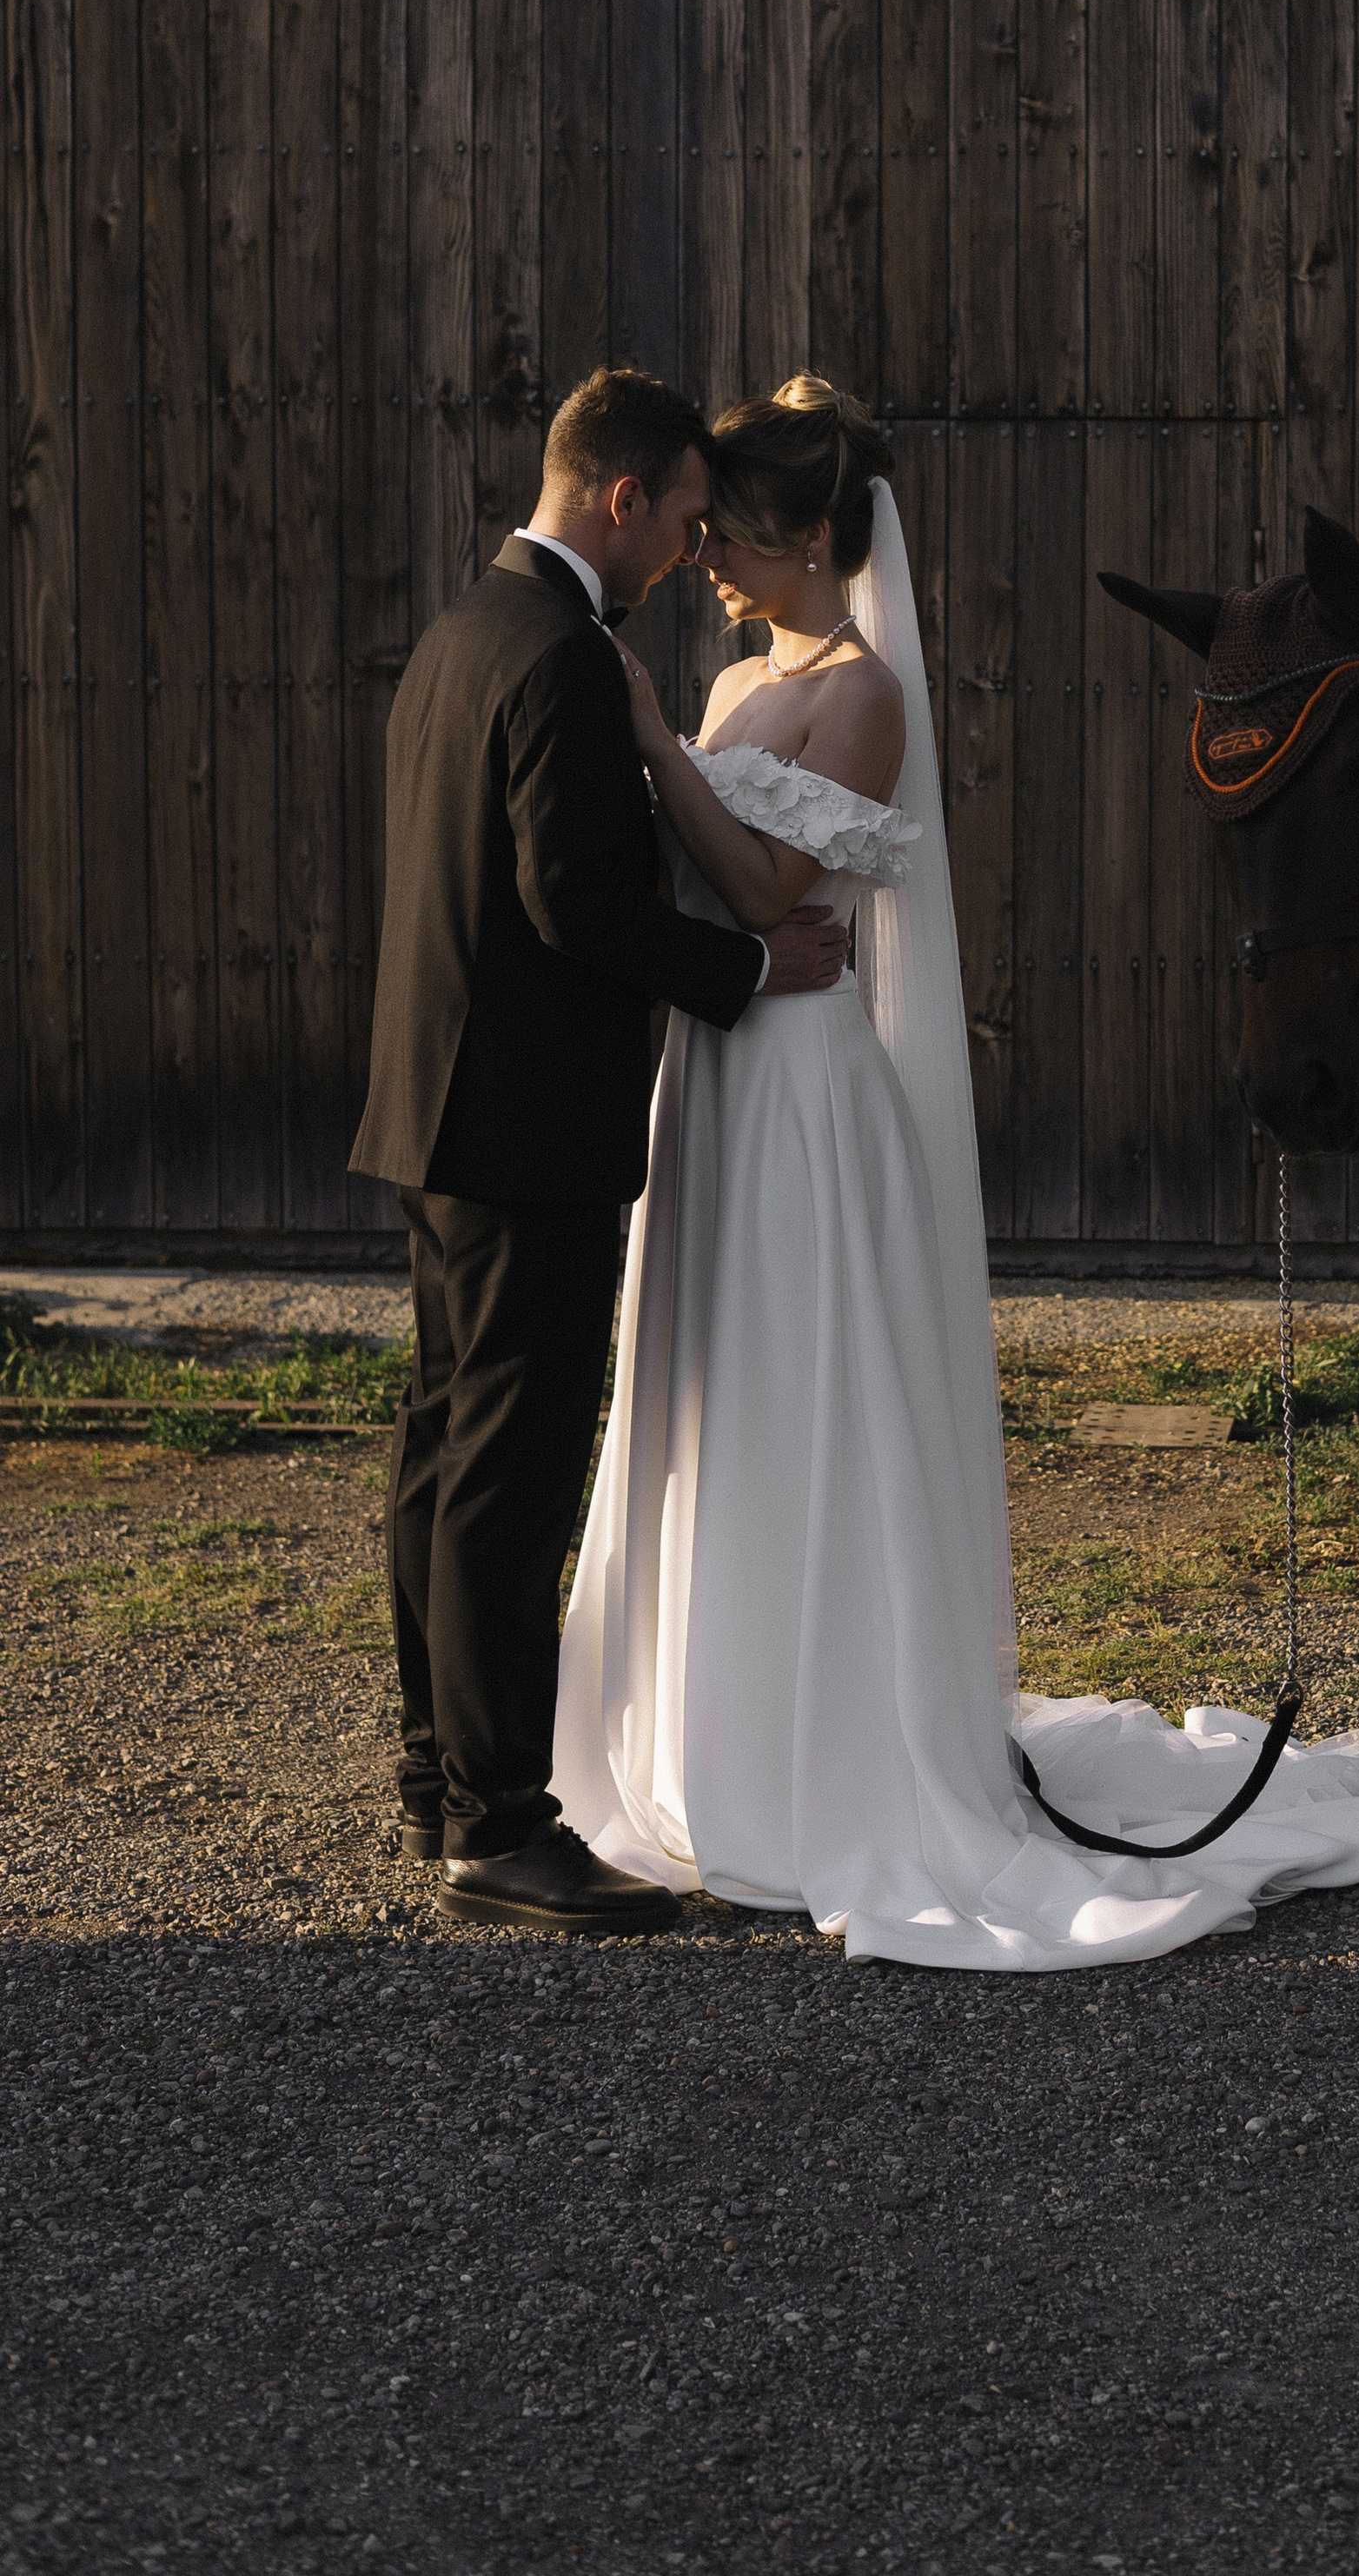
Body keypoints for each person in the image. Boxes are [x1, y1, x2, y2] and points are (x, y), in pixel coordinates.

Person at [552, 374, 1359, 1972]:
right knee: (716, 1384)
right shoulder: (738, 678)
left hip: (807, 1080)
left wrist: (643, 741)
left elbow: (770, 884)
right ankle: (710, 1721)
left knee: (807, 1384)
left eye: (740, 538)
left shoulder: (864, 690)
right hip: (720, 1068)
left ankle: (824, 1738)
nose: (711, 563)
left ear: (818, 533)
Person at [348, 368, 846, 1937]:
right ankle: (501, 1823)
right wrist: (755, 974)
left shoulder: (459, 634)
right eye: (686, 516)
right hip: (529, 1123)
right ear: (622, 500)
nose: (692, 546)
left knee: (443, 1453)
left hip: (436, 1105)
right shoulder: (563, 655)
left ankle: (440, 1778)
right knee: (508, 1469)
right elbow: (579, 902)